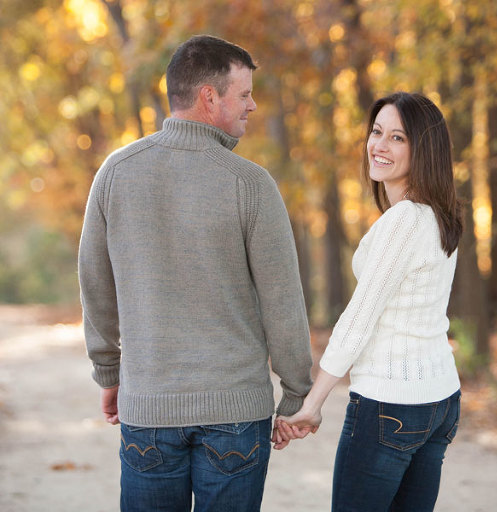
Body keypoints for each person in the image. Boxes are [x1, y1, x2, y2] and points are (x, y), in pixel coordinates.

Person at [78, 34, 313, 512]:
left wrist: (109, 373)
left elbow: (94, 284)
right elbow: (282, 301)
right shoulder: (250, 184)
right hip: (236, 416)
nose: (252, 104)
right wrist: (296, 394)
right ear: (210, 96)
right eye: (244, 93)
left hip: (150, 407)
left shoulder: (116, 172)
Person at [274, 92, 464, 512]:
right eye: (377, 132)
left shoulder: (405, 221)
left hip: (391, 404)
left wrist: (311, 404)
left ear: (423, 149)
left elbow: (358, 319)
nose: (379, 145)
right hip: (440, 400)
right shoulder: (440, 215)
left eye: (397, 137)